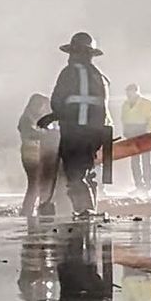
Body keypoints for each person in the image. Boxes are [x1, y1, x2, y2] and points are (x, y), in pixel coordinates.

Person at [43, 32, 110, 217]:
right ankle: (89, 208)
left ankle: (84, 209)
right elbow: (102, 108)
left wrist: (54, 116)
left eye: (73, 52)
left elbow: (58, 99)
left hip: (73, 132)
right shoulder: (99, 77)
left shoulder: (68, 73)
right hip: (93, 133)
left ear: (77, 53)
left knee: (74, 174)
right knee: (86, 171)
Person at [18, 92, 60, 217]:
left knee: (40, 183)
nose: (41, 108)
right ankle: (27, 210)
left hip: (39, 154)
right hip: (30, 154)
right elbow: (32, 133)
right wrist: (50, 133)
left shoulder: (37, 118)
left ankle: (37, 208)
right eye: (40, 105)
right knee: (34, 183)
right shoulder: (27, 119)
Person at [118, 83, 151, 192]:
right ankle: (139, 186)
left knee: (146, 160)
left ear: (136, 91)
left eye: (130, 92)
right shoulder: (125, 104)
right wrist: (125, 131)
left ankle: (147, 185)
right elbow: (124, 119)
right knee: (134, 161)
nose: (128, 95)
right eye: (127, 92)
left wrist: (149, 133)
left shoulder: (146, 103)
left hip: (143, 131)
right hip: (131, 133)